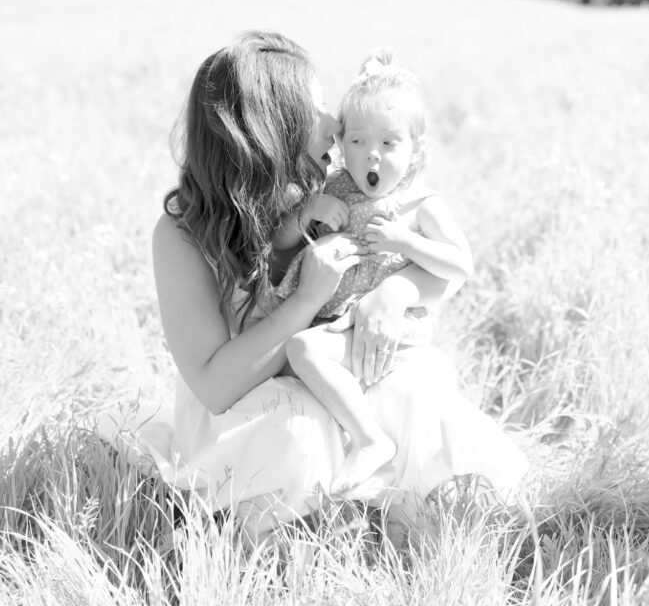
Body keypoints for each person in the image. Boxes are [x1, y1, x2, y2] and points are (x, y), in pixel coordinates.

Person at [97, 31, 527, 539]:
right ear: (273, 127)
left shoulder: (327, 185)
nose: (335, 123)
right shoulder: (183, 234)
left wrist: (399, 292)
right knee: (298, 432)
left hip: (328, 371)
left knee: (411, 388)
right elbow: (215, 386)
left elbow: (434, 268)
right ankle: (259, 530)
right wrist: (306, 299)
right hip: (247, 409)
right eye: (319, 106)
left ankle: (388, 520)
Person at [275, 49, 473, 496]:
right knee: (296, 361)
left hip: (385, 323)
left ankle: (371, 442)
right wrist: (309, 211)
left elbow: (461, 264)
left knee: (304, 349)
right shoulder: (332, 186)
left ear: (415, 150)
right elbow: (280, 243)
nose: (372, 156)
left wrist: (407, 243)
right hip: (338, 315)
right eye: (359, 141)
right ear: (342, 144)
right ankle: (341, 466)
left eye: (389, 143)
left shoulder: (418, 203)